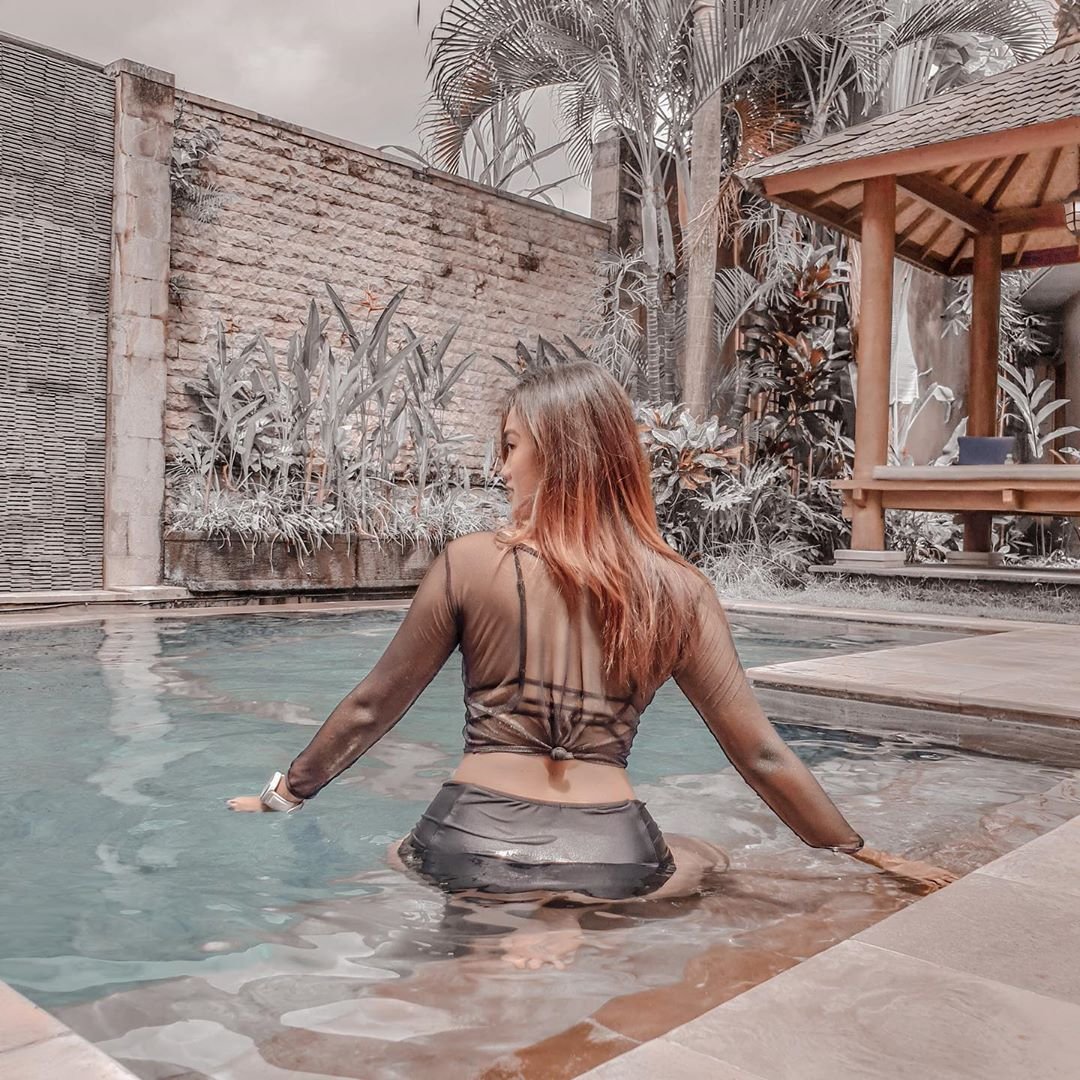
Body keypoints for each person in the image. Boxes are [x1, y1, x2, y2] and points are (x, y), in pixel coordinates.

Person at [228, 362, 956, 917]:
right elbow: (762, 755)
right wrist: (867, 854)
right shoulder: (680, 590)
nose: (500, 467)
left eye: (510, 446)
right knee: (703, 856)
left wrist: (283, 796)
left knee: (403, 853)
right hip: (611, 856)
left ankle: (519, 923)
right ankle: (561, 920)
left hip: (468, 841)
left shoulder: (470, 562)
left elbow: (371, 707)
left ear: (555, 451)